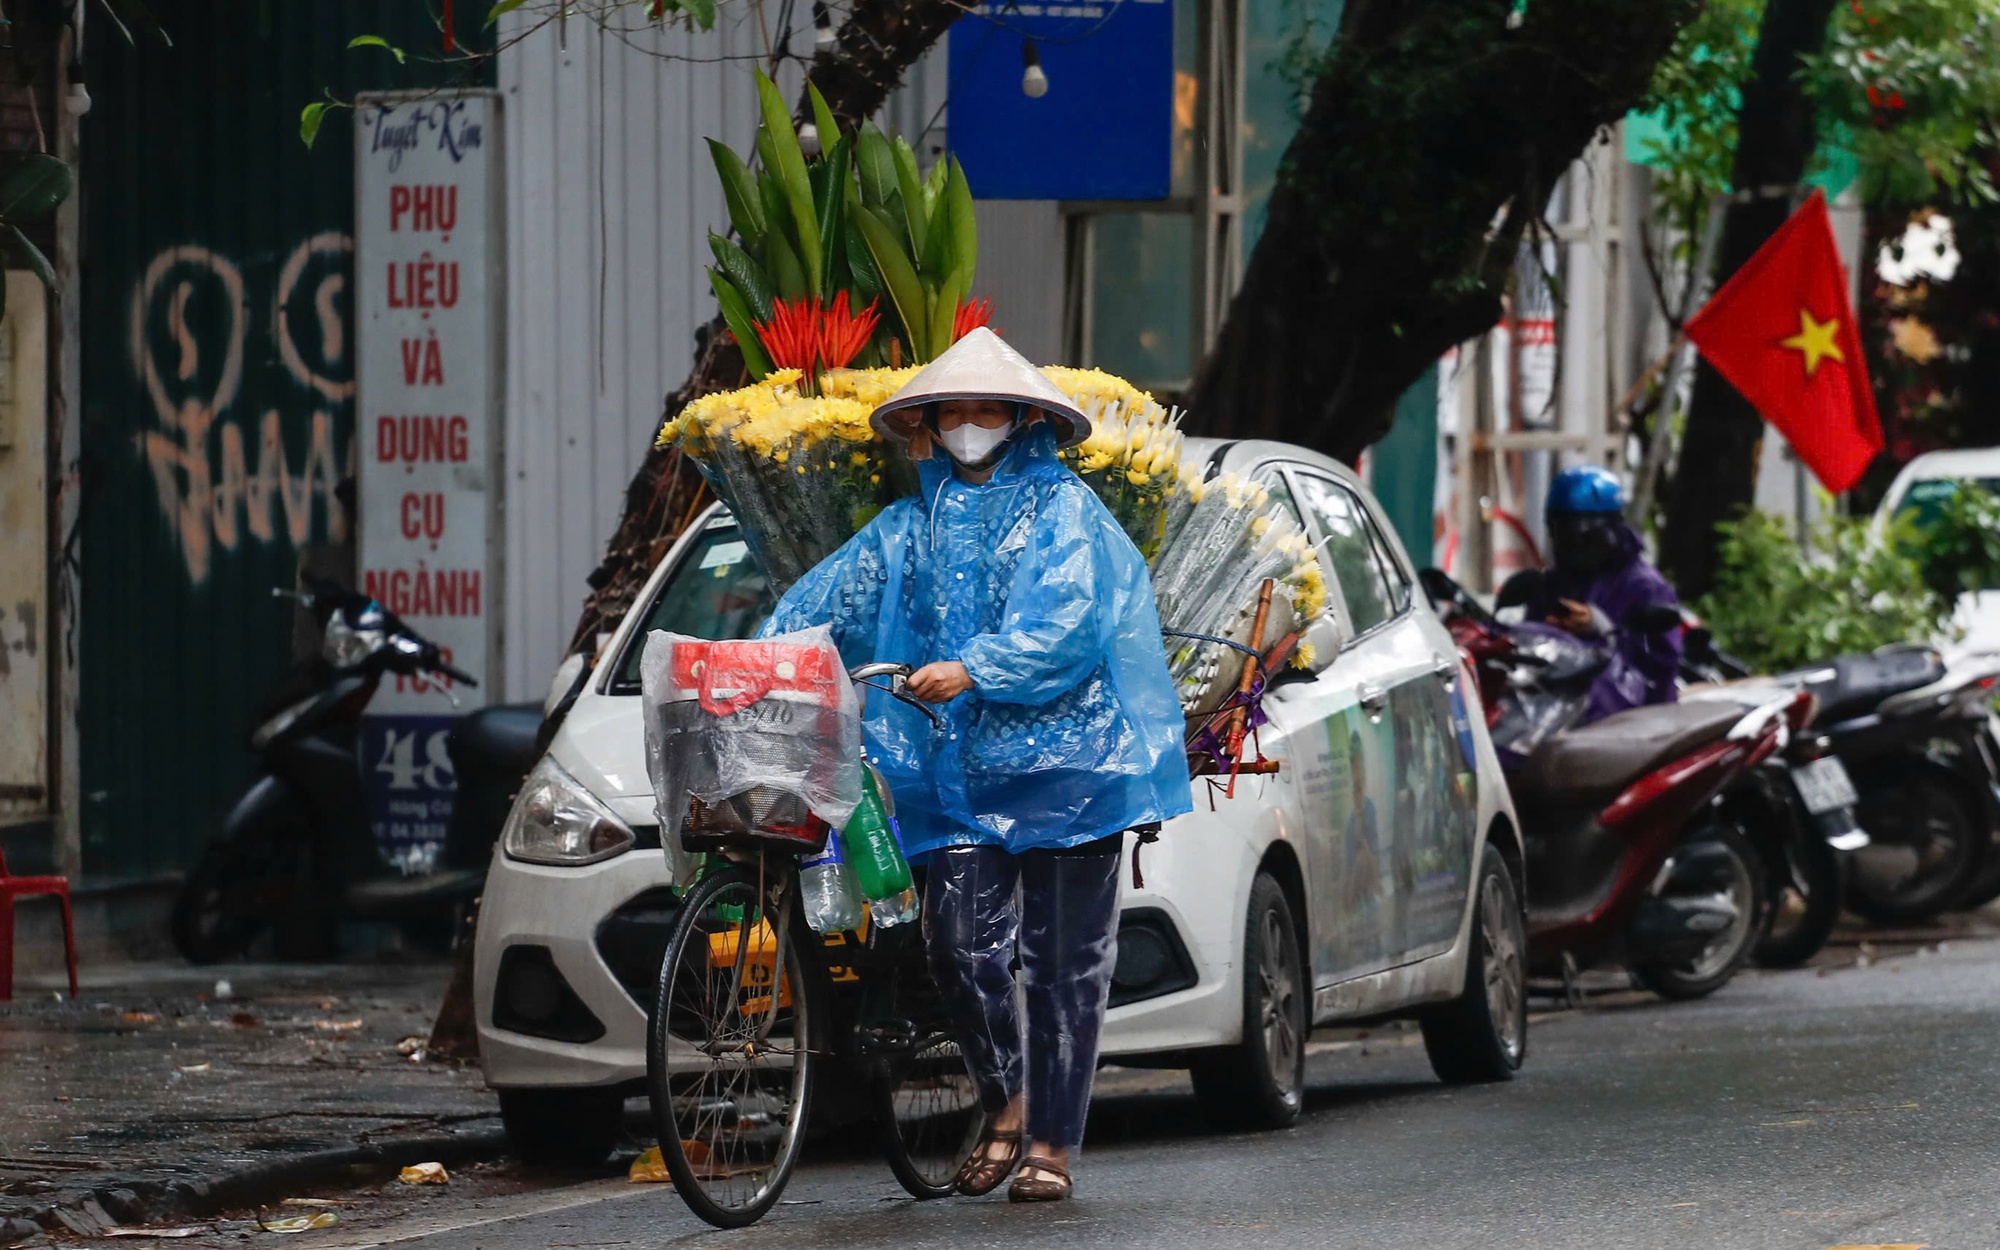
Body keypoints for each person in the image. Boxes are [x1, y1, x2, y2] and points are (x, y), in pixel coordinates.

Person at [757, 328, 1192, 1203]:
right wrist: (758, 662)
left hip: (1071, 773)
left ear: (1021, 418)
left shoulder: (1066, 513)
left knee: (1066, 966)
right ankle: (1008, 1103)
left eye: (983, 408)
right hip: (952, 781)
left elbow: (1067, 629)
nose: (967, 424)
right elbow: (822, 603)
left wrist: (976, 668)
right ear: (926, 425)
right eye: (950, 410)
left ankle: (1051, 1147)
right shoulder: (902, 529)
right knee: (960, 948)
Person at [1502, 465, 1682, 722]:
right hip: (1560, 718)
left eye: (1581, 536)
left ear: (1611, 530)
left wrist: (1603, 628)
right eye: (1561, 534)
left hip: (1637, 725)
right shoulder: (1554, 582)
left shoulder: (1645, 587)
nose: (1571, 547)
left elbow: (1658, 670)